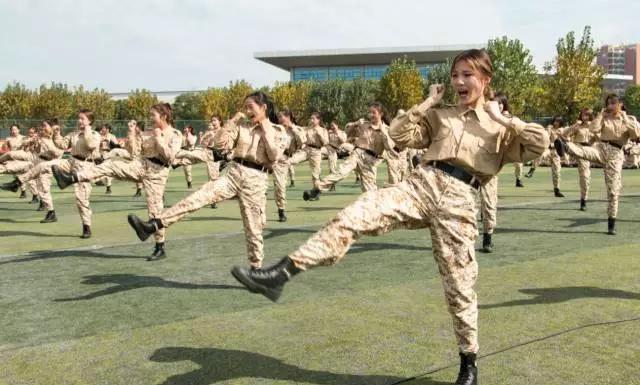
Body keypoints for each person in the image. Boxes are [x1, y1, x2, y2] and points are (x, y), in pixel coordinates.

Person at [230, 49, 549, 385]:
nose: (458, 81)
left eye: (467, 75)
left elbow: (538, 145)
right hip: (421, 184)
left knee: (460, 286)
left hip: (461, 199)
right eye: (455, 75)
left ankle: (468, 362)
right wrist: (427, 103)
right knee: (353, 214)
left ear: (485, 79)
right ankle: (281, 274)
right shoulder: (442, 115)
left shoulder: (502, 130)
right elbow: (398, 134)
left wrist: (501, 118)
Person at [126, 91, 285, 269]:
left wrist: (265, 128)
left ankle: (256, 270)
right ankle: (155, 224)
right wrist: (233, 121)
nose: (247, 111)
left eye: (251, 107)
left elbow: (274, 156)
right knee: (199, 196)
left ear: (263, 107)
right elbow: (219, 143)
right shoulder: (242, 128)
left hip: (255, 179)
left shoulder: (278, 131)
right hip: (234, 173)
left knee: (253, 227)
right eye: (245, 107)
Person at [51, 103, 182, 260]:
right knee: (110, 166)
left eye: (153, 115)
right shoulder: (148, 132)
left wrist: (159, 138)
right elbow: (133, 152)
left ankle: (160, 247)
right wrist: (132, 133)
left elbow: (170, 157)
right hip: (140, 165)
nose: (150, 118)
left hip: (157, 173)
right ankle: (71, 178)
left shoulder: (175, 134)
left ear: (164, 116)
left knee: (155, 212)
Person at [8, 109, 101, 238]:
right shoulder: (74, 134)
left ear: (89, 121)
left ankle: (86, 226)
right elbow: (61, 145)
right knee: (43, 165)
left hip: (85, 166)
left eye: (82, 119)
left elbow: (90, 144)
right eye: (78, 118)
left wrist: (87, 129)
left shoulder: (95, 134)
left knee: (81, 199)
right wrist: (57, 133)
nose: (79, 121)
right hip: (70, 161)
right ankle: (17, 183)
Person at [555, 94, 640, 234]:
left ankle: (611, 221)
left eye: (613, 103)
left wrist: (623, 117)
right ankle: (565, 146)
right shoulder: (604, 117)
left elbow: (635, 134)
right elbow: (593, 130)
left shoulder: (629, 119)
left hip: (615, 153)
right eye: (608, 103)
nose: (610, 105)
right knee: (585, 152)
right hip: (601, 148)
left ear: (620, 104)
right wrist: (601, 115)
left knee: (613, 191)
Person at [302, 102, 395, 201]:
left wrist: (384, 132)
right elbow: (346, 133)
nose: (370, 115)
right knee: (341, 172)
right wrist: (355, 124)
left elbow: (389, 147)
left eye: (373, 113)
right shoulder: (364, 125)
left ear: (381, 114)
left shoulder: (387, 130)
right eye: (369, 112)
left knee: (370, 192)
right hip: (358, 154)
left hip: (370, 162)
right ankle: (317, 190)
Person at [272, 108, 306, 222]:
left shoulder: (298, 129)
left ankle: (281, 209)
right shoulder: (276, 129)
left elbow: (302, 142)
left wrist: (293, 129)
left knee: (280, 186)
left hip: (283, 159)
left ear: (288, 117)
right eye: (279, 118)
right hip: (272, 158)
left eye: (282, 117)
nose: (280, 120)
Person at [562, 108, 595, 211]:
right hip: (580, 150)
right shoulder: (578, 126)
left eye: (587, 115)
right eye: (583, 115)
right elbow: (565, 134)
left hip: (592, 151)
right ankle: (583, 200)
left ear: (590, 116)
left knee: (588, 177)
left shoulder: (594, 126)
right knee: (585, 177)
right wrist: (575, 125)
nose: (585, 117)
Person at [287, 112, 328, 188]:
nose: (311, 120)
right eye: (311, 118)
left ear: (318, 120)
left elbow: (325, 142)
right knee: (292, 160)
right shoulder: (307, 129)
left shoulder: (323, 130)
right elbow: (299, 131)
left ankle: (316, 191)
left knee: (315, 174)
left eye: (313, 118)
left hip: (316, 151)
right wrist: (291, 125)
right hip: (306, 149)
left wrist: (319, 134)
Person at [97, 124, 119, 194]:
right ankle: (102, 181)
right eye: (102, 128)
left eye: (104, 128)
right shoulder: (99, 136)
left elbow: (116, 145)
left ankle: (108, 188)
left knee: (106, 172)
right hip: (100, 155)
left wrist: (111, 144)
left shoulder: (112, 136)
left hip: (108, 154)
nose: (102, 129)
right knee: (100, 171)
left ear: (108, 129)